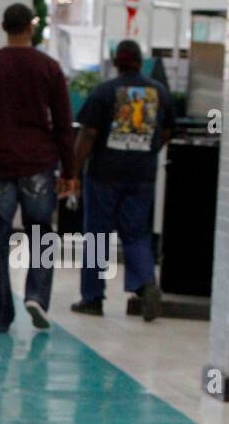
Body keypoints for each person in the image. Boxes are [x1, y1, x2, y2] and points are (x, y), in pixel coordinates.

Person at [0, 2, 73, 333]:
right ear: (31, 27)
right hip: (38, 163)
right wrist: (69, 172)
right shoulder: (49, 68)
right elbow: (63, 125)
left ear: (4, 27)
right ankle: (36, 295)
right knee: (41, 235)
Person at [69, 39, 173, 321]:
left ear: (116, 62)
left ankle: (92, 298)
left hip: (104, 174)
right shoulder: (160, 92)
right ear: (141, 62)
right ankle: (146, 284)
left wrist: (73, 171)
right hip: (142, 175)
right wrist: (148, 151)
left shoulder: (104, 92)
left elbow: (88, 135)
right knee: (136, 233)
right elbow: (166, 132)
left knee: (97, 236)